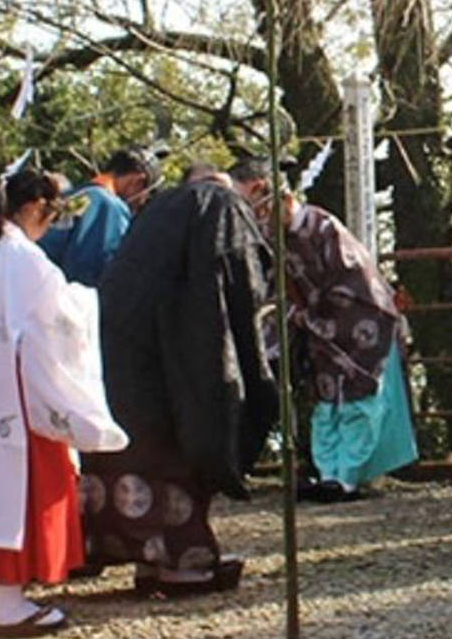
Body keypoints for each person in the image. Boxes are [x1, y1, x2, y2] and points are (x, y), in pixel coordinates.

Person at [0, 170, 128, 636]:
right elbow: (58, 324)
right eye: (51, 214)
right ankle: (7, 600)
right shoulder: (25, 260)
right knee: (23, 494)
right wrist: (84, 301)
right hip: (20, 399)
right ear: (33, 208)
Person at [86, 170, 273, 595]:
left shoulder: (160, 211)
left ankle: (143, 558)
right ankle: (183, 564)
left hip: (120, 343)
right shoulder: (223, 209)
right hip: (178, 346)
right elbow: (241, 281)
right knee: (180, 443)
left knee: (132, 447)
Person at [233, 174, 419, 503]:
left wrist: (312, 311)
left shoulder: (324, 227)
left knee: (358, 402)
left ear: (284, 199)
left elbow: (353, 276)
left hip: (359, 321)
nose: (261, 219)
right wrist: (298, 314)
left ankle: (347, 477)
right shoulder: (275, 240)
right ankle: (329, 473)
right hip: (318, 325)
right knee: (327, 402)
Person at [37, 148, 154, 287]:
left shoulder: (73, 196)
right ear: (137, 182)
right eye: (146, 195)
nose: (141, 202)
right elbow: (89, 273)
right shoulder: (108, 207)